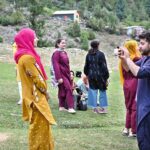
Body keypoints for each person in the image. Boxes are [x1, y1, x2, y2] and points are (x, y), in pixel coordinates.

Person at [14, 28, 56, 150]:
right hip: (36, 99)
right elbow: (37, 79)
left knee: (40, 127)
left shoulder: (23, 56)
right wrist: (46, 91)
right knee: (40, 128)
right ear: (28, 39)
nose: (37, 39)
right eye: (35, 36)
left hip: (31, 97)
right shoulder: (27, 58)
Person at [119, 31, 150, 150]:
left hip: (148, 110)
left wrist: (127, 58)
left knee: (145, 143)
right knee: (142, 141)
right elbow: (128, 69)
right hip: (143, 108)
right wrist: (123, 59)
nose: (139, 47)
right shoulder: (145, 59)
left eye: (142, 43)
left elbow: (139, 72)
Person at [119, 40, 141, 137]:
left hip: (126, 84)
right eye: (136, 46)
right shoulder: (136, 58)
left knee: (128, 106)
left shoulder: (123, 60)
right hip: (135, 83)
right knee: (134, 107)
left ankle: (126, 128)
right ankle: (133, 130)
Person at [84, 40, 109, 114]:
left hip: (91, 76)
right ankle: (103, 109)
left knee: (93, 92)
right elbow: (104, 66)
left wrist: (87, 74)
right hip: (100, 76)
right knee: (102, 91)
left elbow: (86, 66)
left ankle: (94, 109)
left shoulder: (88, 54)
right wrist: (106, 76)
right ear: (98, 45)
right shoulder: (101, 54)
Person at [51, 38, 76, 114]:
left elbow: (67, 64)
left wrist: (70, 74)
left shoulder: (64, 52)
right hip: (61, 75)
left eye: (65, 43)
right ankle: (70, 107)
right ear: (58, 44)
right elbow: (55, 65)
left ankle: (61, 106)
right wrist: (58, 77)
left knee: (62, 90)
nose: (64, 44)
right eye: (62, 43)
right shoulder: (56, 53)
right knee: (69, 89)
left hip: (67, 74)